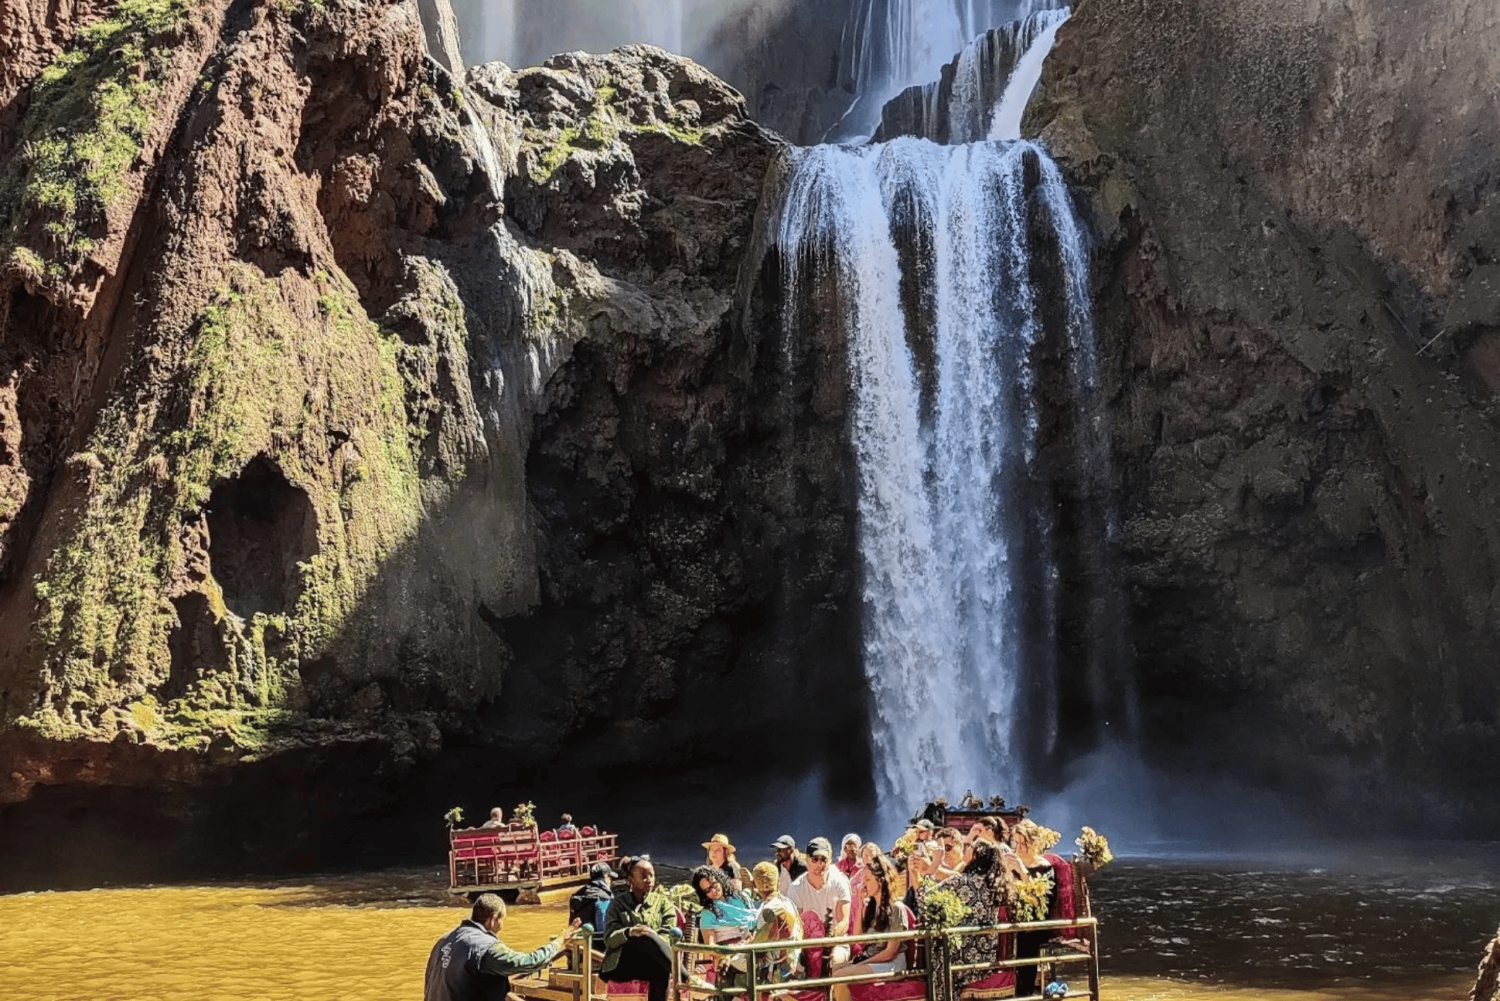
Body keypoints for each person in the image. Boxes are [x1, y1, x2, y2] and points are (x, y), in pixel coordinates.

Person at [424, 893, 581, 1001]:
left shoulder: (444, 940)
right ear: (493, 919)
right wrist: (559, 941)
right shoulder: (484, 947)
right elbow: (530, 962)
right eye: (502, 920)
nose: (502, 926)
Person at [601, 856, 678, 1001]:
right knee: (642, 938)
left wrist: (652, 937)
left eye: (651, 875)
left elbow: (668, 934)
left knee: (660, 968)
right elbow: (610, 939)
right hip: (624, 964)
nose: (649, 880)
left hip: (653, 962)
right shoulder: (617, 904)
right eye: (643, 876)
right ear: (630, 879)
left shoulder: (663, 903)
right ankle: (685, 976)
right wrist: (630, 932)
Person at [835, 853, 911, 976]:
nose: (863, 885)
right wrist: (860, 905)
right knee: (833, 971)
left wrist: (861, 964)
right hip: (872, 959)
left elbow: (891, 952)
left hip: (891, 964)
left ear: (880, 880)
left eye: (868, 880)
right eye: (863, 880)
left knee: (840, 975)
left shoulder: (896, 908)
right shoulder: (872, 907)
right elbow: (858, 938)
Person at [1008, 819, 1058, 998]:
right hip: (1010, 917)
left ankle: (1024, 992)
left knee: (1025, 937)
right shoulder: (1010, 861)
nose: (1019, 848)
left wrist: (1023, 873)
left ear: (1035, 843)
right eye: (1016, 843)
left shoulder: (1045, 868)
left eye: (1024, 843)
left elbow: (1044, 902)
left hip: (1035, 922)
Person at [788, 837, 853, 965]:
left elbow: (844, 921)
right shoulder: (795, 888)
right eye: (815, 859)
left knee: (832, 961)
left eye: (823, 859)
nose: (819, 864)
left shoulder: (840, 882)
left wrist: (830, 936)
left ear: (830, 860)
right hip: (805, 945)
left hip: (837, 943)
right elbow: (796, 926)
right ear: (806, 860)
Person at [692, 865, 758, 987]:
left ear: (720, 879)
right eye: (707, 890)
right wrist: (732, 950)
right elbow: (711, 947)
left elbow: (756, 927)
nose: (713, 891)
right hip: (728, 960)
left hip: (751, 947)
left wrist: (746, 943)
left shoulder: (741, 898)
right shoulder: (707, 914)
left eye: (714, 885)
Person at [748, 861, 802, 984]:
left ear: (755, 884)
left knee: (733, 963)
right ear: (778, 882)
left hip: (778, 971)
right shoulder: (788, 902)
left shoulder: (768, 909)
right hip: (795, 962)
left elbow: (757, 950)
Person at [569, 862, 615, 931]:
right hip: (595, 936)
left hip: (575, 934)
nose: (611, 881)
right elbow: (603, 927)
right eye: (610, 877)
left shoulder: (578, 894)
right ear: (606, 876)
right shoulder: (604, 897)